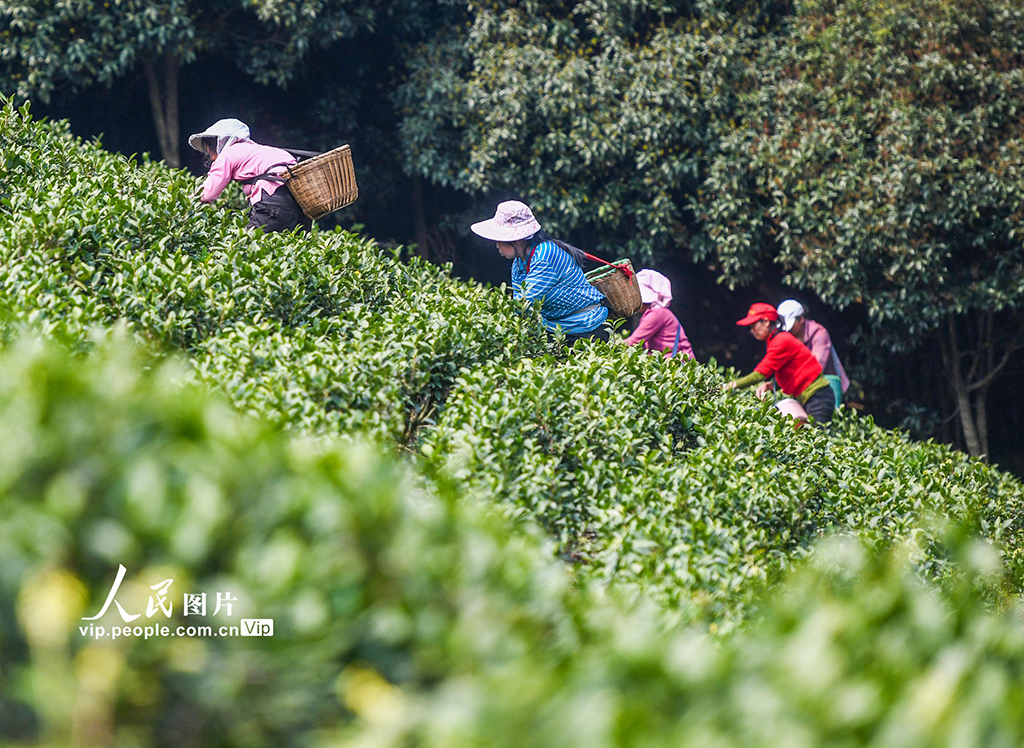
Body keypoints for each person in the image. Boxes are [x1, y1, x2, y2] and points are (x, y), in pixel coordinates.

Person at [471, 201, 609, 343]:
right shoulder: (518, 264)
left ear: (515, 239)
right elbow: (521, 308)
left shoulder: (545, 255)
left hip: (586, 326)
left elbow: (524, 303)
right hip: (557, 329)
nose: (497, 246)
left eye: (499, 240)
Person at [188, 118, 311, 233]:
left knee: (250, 245)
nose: (208, 153)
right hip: (299, 204)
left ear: (219, 142)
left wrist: (186, 200)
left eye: (208, 147)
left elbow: (208, 193)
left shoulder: (228, 154)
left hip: (272, 202)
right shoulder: (259, 150)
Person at [723, 303, 835, 424]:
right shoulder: (776, 340)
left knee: (818, 434)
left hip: (817, 397)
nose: (752, 331)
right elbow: (794, 372)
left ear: (766, 322)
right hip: (812, 398)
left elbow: (760, 374)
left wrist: (731, 385)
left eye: (753, 326)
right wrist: (771, 386)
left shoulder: (781, 341)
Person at [777, 299, 849, 409]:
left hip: (827, 383)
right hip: (804, 387)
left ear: (801, 319)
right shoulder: (789, 337)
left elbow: (817, 366)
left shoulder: (819, 333)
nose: (788, 330)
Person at [624, 269, 695, 359]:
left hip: (677, 362)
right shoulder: (658, 312)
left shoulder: (656, 314)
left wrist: (613, 346)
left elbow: (634, 341)